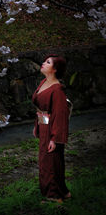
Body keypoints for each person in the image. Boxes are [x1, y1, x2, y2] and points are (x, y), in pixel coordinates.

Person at [32, 54, 71, 203]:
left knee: (50, 162)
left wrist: (55, 138)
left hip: (52, 129)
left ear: (54, 69)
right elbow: (42, 109)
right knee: (47, 160)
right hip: (44, 127)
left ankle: (54, 196)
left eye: (47, 62)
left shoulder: (57, 91)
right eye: (44, 61)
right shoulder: (44, 82)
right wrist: (37, 125)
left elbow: (60, 115)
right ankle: (63, 192)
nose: (43, 63)